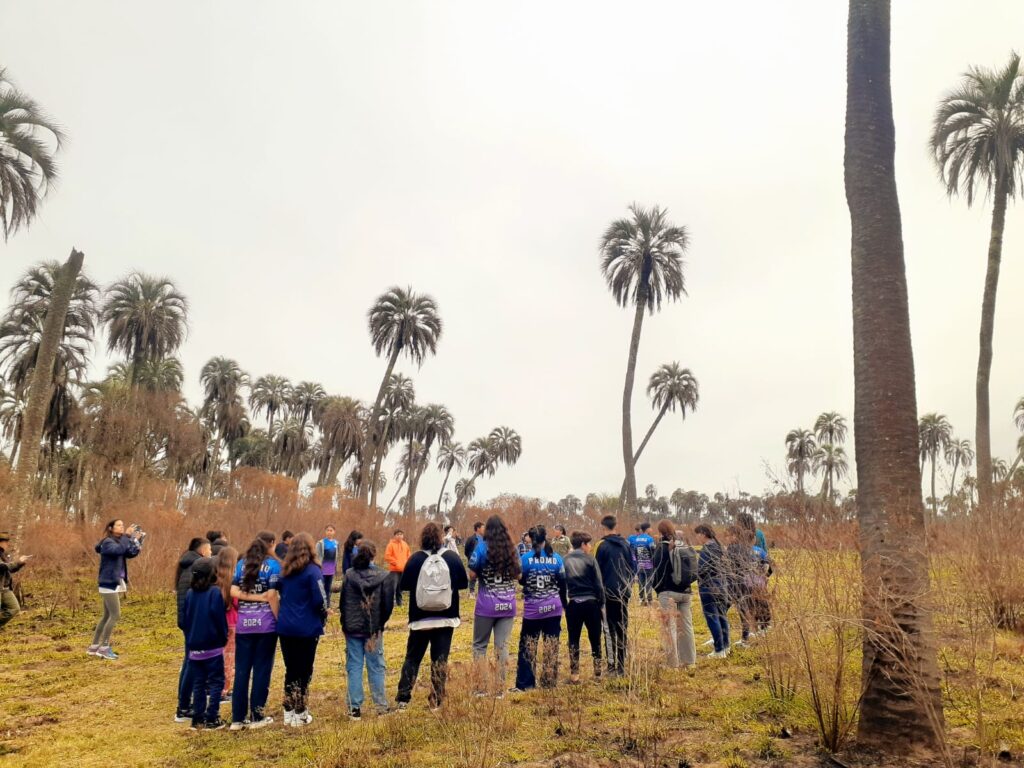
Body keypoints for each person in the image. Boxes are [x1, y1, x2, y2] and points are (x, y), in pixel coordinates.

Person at [396, 522, 468, 710]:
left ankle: (403, 698)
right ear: (440, 538)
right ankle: (436, 699)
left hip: (420, 619)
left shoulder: (415, 559)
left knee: (412, 658)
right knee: (440, 659)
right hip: (446, 618)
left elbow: (404, 585)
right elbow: (463, 584)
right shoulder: (452, 557)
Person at [229, 533, 281, 729]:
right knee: (261, 670)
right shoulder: (274, 566)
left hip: (244, 624)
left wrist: (248, 596)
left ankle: (237, 718)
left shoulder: (242, 564)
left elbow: (232, 591)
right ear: (269, 547)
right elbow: (272, 596)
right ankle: (257, 716)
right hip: (266, 625)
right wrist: (277, 619)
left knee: (242, 671)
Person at [278, 533, 328, 727]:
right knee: (304, 670)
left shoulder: (285, 571)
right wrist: (323, 616)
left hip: (285, 626)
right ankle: (301, 711)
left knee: (291, 669)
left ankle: (288, 710)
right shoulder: (313, 571)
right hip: (307, 627)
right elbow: (320, 599)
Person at [340, 540, 393, 720]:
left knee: (354, 666)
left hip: (353, 628)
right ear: (373, 555)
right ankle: (380, 706)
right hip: (373, 629)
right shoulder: (384, 576)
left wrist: (345, 623)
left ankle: (354, 708)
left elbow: (343, 602)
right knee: (376, 666)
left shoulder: (349, 575)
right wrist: (380, 623)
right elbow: (387, 605)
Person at [468, 514, 521, 695]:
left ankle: (480, 689)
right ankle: (499, 689)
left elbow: (472, 575)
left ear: (487, 530)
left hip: (486, 605)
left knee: (480, 646)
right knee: (502, 647)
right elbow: (518, 575)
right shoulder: (512, 549)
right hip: (507, 604)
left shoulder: (481, 548)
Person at [512, 524, 566, 693]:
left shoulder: (526, 559)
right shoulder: (557, 558)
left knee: (528, 646)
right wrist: (564, 604)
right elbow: (562, 582)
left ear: (531, 539)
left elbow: (521, 580)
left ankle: (526, 683)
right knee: (551, 644)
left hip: (533, 610)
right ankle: (549, 682)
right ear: (546, 538)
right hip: (553, 607)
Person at [183, 558, 228, 731]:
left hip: (194, 646)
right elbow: (219, 618)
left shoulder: (189, 593)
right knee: (217, 682)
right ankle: (212, 718)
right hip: (212, 645)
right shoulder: (215, 593)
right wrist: (223, 637)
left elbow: (186, 619)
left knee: (198, 683)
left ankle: (197, 718)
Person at [88, 519, 143, 660]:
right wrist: (126, 536)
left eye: (123, 525)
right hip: (108, 583)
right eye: (119, 525)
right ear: (111, 528)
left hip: (113, 583)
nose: (122, 527)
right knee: (115, 615)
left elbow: (129, 553)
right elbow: (119, 550)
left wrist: (137, 541)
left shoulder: (119, 541)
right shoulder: (108, 542)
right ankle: (104, 648)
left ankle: (94, 647)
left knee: (106, 616)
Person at [651, 520, 697, 668]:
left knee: (669, 628)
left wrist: (657, 589)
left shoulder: (662, 548)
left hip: (668, 592)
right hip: (686, 591)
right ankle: (689, 662)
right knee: (686, 627)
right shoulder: (681, 545)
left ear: (660, 532)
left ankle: (672, 664)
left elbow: (656, 570)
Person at [175, 537, 211, 722]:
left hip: (188, 622)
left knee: (188, 662)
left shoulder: (186, 565)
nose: (211, 554)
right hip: (192, 623)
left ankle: (183, 704)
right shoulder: (193, 569)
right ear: (203, 551)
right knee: (190, 663)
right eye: (210, 550)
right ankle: (183, 707)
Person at [594, 515, 635, 675]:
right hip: (623, 593)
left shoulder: (601, 546)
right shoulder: (626, 544)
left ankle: (611, 666)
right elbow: (632, 567)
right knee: (622, 628)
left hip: (607, 594)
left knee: (609, 630)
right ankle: (622, 665)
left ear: (603, 526)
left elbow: (596, 571)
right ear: (616, 525)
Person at [563, 530, 604, 682]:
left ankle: (575, 675)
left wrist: (564, 603)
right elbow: (599, 584)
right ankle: (597, 673)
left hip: (573, 602)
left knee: (573, 639)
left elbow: (561, 583)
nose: (591, 546)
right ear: (583, 544)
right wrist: (601, 603)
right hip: (591, 603)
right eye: (589, 544)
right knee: (595, 638)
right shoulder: (590, 560)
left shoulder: (565, 560)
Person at [694, 524, 730, 658]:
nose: (697, 537)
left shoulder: (707, 550)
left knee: (712, 618)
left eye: (697, 534)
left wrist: (695, 576)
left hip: (708, 587)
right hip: (722, 585)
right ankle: (726, 646)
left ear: (703, 534)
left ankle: (719, 649)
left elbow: (702, 570)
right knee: (722, 616)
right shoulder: (720, 547)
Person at [724, 525, 758, 647]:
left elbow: (728, 567)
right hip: (746, 584)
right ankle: (744, 640)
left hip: (733, 584)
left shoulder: (732, 548)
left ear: (734, 536)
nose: (726, 538)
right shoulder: (747, 548)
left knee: (720, 610)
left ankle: (721, 638)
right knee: (744, 612)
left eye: (728, 535)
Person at [215, 546, 240, 700]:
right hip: (232, 622)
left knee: (217, 655)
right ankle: (224, 690)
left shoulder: (214, 579)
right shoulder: (233, 580)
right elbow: (237, 602)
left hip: (217, 622)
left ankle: (214, 687)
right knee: (229, 657)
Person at [0, 531, 29, 630]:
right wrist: (18, 562)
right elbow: (2, 567)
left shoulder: (3, 554)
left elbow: (10, 568)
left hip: (5, 589)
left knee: (14, 608)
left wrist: (20, 563)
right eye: (6, 541)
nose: (8, 544)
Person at [628, 522, 656, 606]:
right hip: (649, 565)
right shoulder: (649, 539)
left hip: (639, 564)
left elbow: (635, 551)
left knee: (641, 582)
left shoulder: (636, 539)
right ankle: (649, 600)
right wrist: (653, 561)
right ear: (647, 529)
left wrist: (638, 561)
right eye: (650, 528)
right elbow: (652, 551)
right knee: (648, 582)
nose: (651, 529)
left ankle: (641, 599)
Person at [384, 529, 410, 607]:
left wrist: (407, 564)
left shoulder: (405, 544)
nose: (400, 536)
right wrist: (395, 563)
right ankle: (389, 604)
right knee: (392, 588)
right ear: (394, 536)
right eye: (398, 534)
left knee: (400, 588)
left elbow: (408, 555)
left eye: (401, 534)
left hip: (403, 570)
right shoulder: (391, 545)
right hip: (394, 570)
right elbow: (387, 556)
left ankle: (399, 604)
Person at [317, 526, 341, 609]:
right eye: (327, 530)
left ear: (334, 532)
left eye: (331, 530)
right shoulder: (320, 543)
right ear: (325, 531)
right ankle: (320, 605)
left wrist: (336, 567)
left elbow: (337, 556)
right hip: (322, 570)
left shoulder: (336, 543)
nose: (329, 532)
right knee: (320, 589)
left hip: (331, 571)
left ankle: (327, 606)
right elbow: (317, 556)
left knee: (328, 588)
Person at [463, 522, 484, 596]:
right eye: (482, 527)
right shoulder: (471, 539)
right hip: (473, 561)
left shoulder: (484, 539)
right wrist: (470, 557)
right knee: (473, 577)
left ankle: (481, 592)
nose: (484, 529)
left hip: (482, 561)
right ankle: (471, 592)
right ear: (478, 528)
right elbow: (466, 550)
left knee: (482, 577)